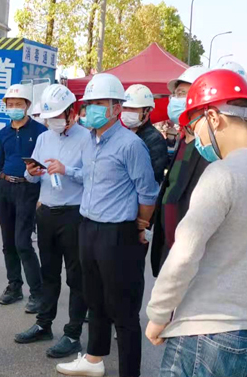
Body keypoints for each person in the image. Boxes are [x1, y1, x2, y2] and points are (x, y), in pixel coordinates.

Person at [146, 69, 247, 377]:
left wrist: (158, 313)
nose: (197, 140)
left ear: (213, 117)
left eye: (195, 128)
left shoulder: (223, 173)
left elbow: (185, 252)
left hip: (208, 334)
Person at [56, 73, 159, 377]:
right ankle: (93, 360)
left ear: (116, 108)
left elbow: (147, 192)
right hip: (88, 228)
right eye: (89, 103)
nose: (91, 109)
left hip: (117, 234)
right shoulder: (90, 141)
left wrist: (141, 224)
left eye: (99, 103)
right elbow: (89, 177)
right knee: (95, 300)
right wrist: (64, 170)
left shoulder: (131, 145)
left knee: (123, 309)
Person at [151, 64, 247, 276]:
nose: (176, 99)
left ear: (211, 114)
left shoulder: (219, 164)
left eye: (183, 93)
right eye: (176, 94)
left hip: (202, 266)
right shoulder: (186, 140)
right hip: (177, 253)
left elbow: (188, 251)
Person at [15, 84, 89, 360]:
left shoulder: (87, 138)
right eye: (49, 117)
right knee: (49, 274)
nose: (53, 121)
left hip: (74, 214)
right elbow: (34, 176)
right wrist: (31, 172)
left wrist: (67, 170)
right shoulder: (44, 137)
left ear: (71, 112)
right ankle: (44, 324)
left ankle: (72, 334)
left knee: (76, 276)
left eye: (58, 115)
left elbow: (92, 176)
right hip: (46, 212)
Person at [0, 84, 46, 313]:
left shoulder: (40, 131)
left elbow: (44, 164)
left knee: (23, 243)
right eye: (10, 104)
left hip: (27, 190)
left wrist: (41, 195)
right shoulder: (3, 133)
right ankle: (14, 286)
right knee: (8, 243)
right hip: (5, 188)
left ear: (27, 105)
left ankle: (38, 293)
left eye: (18, 104)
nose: (14, 107)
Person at [122, 84, 169, 183]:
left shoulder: (155, 140)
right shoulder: (122, 135)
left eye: (133, 109)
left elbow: (152, 176)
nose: (127, 112)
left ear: (147, 111)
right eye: (125, 108)